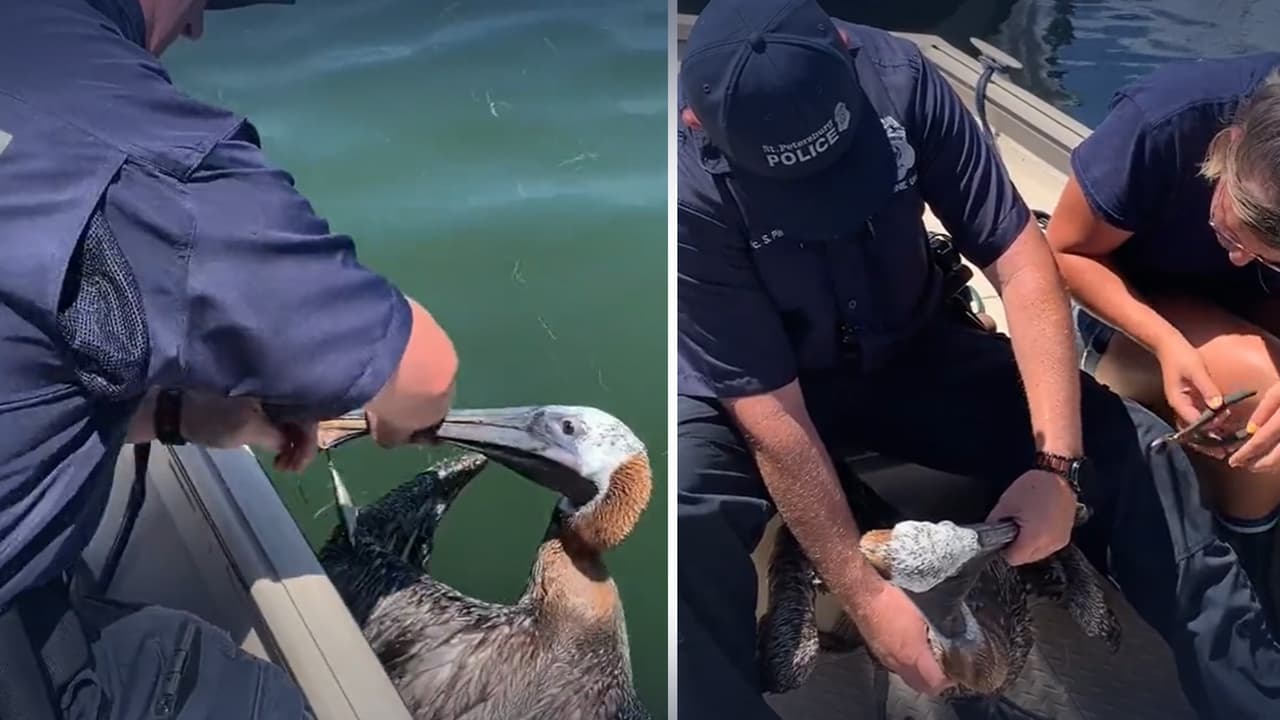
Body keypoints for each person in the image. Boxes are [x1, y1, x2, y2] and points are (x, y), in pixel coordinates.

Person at [675, 0, 1280, 718]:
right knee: (684, 510)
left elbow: (1021, 264)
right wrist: (865, 596)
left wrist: (1058, 468)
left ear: (843, 50)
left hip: (913, 348)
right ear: (696, 123)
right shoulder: (685, 191)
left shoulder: (901, 78)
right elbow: (772, 416)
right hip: (758, 388)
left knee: (1134, 450)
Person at [0, 0, 459, 717]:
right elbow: (422, 375)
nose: (197, 28)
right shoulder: (123, 136)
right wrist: (397, 420)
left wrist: (182, 417)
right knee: (249, 695)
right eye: (197, 2)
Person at [1046, 53, 1280, 623]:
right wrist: (1166, 343)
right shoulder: (1164, 121)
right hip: (1127, 310)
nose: (1238, 258)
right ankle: (1252, 575)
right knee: (1256, 382)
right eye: (1230, 232)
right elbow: (1065, 252)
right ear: (1226, 144)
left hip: (1245, 312)